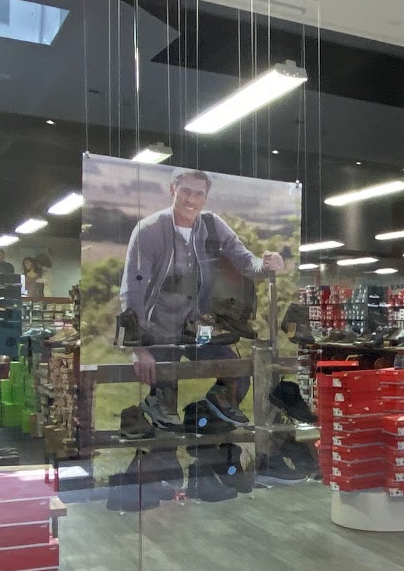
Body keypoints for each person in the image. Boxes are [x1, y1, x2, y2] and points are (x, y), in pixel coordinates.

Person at [119, 168, 282, 415]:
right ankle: (164, 418)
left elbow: (246, 261)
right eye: (185, 191)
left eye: (199, 194)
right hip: (159, 330)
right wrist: (138, 348)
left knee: (237, 375)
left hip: (200, 329)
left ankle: (204, 417)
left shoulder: (212, 225)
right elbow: (132, 289)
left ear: (205, 197)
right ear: (172, 190)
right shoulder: (149, 231)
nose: (191, 199)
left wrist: (266, 264)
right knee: (164, 408)